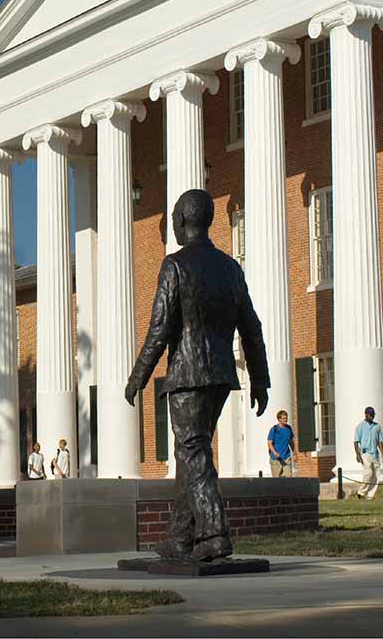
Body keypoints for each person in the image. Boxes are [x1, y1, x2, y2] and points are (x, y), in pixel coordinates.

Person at [125, 189, 270, 562]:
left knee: (192, 451)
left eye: (174, 217)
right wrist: (259, 378)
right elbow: (251, 327)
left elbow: (160, 328)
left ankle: (215, 532)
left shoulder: (174, 266)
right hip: (221, 373)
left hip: (189, 374)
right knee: (191, 452)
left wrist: (139, 375)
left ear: (182, 221)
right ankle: (179, 537)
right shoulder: (230, 268)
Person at [353, 406, 383, 500]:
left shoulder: (377, 426)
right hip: (365, 454)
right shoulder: (360, 427)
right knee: (368, 473)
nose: (372, 417)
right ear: (366, 415)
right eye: (370, 415)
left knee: (376, 475)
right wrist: (357, 455)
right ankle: (361, 493)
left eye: (373, 415)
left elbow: (380, 441)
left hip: (375, 454)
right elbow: (356, 441)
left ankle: (370, 495)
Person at [267, 410, 295, 477]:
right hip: (276, 459)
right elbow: (269, 443)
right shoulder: (274, 429)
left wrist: (294, 453)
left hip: (286, 458)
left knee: (288, 478)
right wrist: (275, 453)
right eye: (284, 418)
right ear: (279, 419)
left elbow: (291, 441)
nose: (286, 419)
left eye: (286, 418)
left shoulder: (289, 428)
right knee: (277, 481)